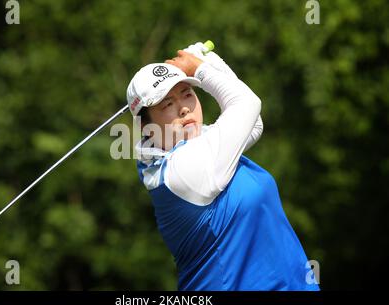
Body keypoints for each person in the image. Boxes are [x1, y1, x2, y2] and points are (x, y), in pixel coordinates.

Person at [126, 42, 320, 291]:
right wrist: (200, 69)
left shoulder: (195, 148)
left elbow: (253, 123)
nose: (184, 108)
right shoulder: (181, 169)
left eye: (187, 94)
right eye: (167, 104)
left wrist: (211, 61)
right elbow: (246, 104)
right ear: (146, 127)